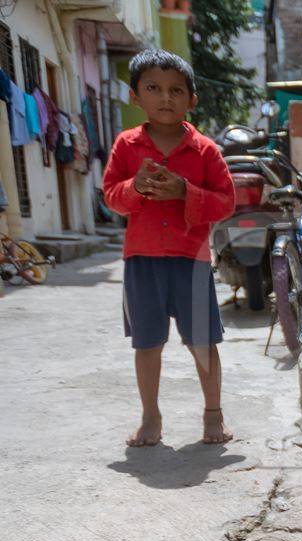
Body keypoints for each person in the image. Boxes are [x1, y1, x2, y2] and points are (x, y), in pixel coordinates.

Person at [103, 49, 236, 447]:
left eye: (176, 90)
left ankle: (213, 415)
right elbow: (111, 196)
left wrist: (185, 192)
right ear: (135, 96)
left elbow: (226, 202)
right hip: (142, 261)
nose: (165, 98)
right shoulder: (126, 147)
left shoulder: (206, 150)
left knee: (202, 342)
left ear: (191, 100)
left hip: (191, 261)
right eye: (154, 89)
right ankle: (151, 418)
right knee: (147, 342)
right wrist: (136, 188)